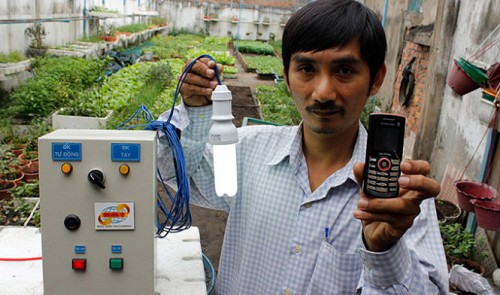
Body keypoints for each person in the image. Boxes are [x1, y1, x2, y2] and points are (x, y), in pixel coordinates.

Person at [157, 0, 448, 294]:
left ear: (376, 79)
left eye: (344, 70)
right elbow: (176, 174)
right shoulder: (246, 151)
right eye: (306, 68)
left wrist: (385, 252)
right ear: (286, 75)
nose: (323, 93)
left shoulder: (399, 198)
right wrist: (193, 114)